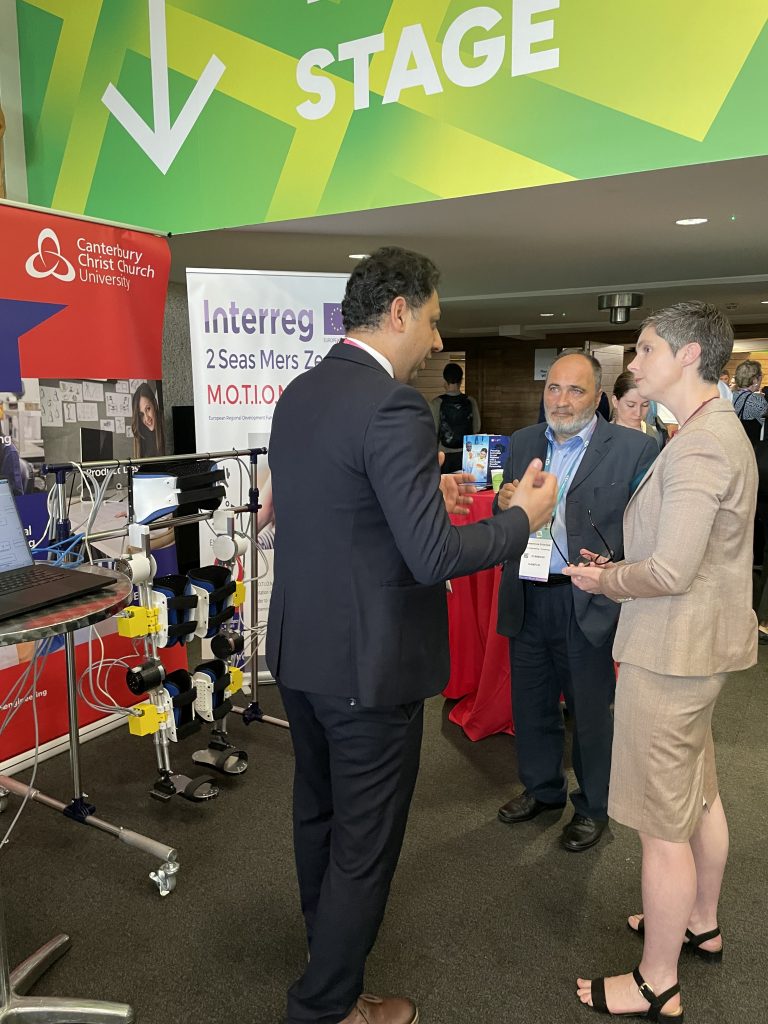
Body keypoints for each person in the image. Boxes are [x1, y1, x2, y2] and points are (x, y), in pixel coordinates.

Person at [266, 246, 557, 1024]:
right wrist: (518, 520)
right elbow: (431, 557)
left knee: (318, 818)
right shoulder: (393, 405)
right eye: (432, 321)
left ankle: (324, 958)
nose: (436, 341)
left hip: (303, 655)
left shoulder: (300, 393)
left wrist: (428, 488)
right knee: (364, 846)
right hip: (371, 669)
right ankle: (327, 1007)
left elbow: (341, 506)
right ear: (399, 312)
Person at [565, 302, 757, 1020]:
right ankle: (698, 920)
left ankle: (656, 981)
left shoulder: (703, 443)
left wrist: (605, 579)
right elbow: (686, 557)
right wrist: (621, 565)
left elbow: (672, 571)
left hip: (672, 652)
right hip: (693, 646)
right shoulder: (702, 432)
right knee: (697, 792)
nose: (633, 363)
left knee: (660, 825)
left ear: (686, 355)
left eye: (645, 349)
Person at [494, 351, 658, 853]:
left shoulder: (633, 450)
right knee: (533, 703)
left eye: (575, 391)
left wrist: (613, 571)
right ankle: (543, 790)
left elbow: (646, 533)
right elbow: (510, 508)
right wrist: (507, 504)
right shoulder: (522, 441)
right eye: (553, 389)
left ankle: (593, 807)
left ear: (599, 397)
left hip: (587, 599)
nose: (561, 401)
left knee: (590, 713)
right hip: (527, 590)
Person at [430, 362, 480, 473]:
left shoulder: (437, 402)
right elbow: (477, 428)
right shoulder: (470, 401)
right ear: (461, 380)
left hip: (444, 454)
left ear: (444, 380)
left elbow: (433, 431)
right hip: (467, 453)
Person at [611, 370, 663, 449]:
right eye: (631, 405)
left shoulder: (656, 436)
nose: (638, 413)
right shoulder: (599, 436)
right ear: (615, 401)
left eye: (645, 405)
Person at [731, 359, 767, 443]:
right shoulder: (758, 400)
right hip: (751, 449)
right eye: (761, 376)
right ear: (755, 380)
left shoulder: (730, 396)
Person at [130, 382, 165, 458]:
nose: (146, 418)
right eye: (141, 414)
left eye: (148, 409)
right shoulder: (141, 435)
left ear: (155, 404)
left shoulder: (166, 427)